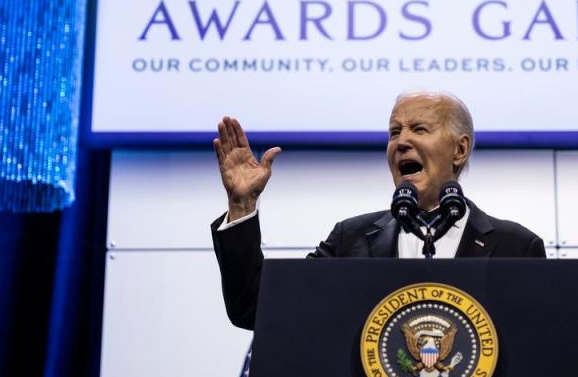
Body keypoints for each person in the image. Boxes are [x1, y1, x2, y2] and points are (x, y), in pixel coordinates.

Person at [210, 91, 546, 331]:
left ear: (460, 149)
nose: (401, 142)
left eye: (419, 129)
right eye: (394, 132)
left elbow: (538, 346)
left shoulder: (516, 246)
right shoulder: (350, 240)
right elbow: (255, 309)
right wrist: (241, 205)